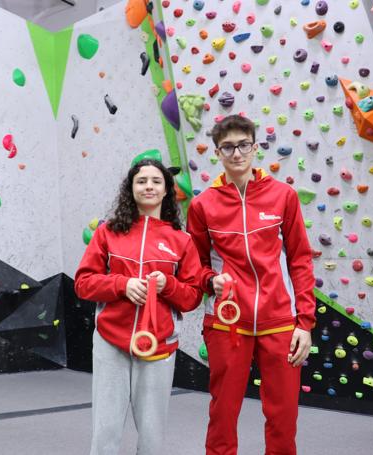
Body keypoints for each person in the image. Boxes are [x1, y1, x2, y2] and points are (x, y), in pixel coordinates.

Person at [186, 115, 316, 455]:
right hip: (228, 322)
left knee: (284, 416)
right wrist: (210, 280)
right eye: (227, 147)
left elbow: (300, 260)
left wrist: (305, 322)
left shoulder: (283, 195)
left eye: (243, 144)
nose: (237, 153)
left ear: (255, 147)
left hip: (280, 321)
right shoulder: (202, 205)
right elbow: (193, 267)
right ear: (217, 152)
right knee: (223, 415)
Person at [74, 158, 203, 455]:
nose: (149, 186)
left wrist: (166, 286)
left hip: (158, 346)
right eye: (141, 181)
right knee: (105, 431)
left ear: (167, 190)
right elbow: (83, 283)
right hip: (110, 343)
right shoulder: (107, 233)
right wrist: (122, 285)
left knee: (152, 434)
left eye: (156, 181)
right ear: (130, 188)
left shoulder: (182, 240)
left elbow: (193, 296)